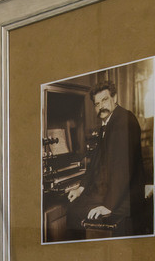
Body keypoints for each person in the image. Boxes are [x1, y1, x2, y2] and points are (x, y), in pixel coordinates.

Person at [63, 80, 150, 239]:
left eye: (104, 100)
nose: (100, 106)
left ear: (114, 97)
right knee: (74, 204)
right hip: (115, 191)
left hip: (126, 198)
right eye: (96, 104)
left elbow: (123, 168)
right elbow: (95, 162)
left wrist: (108, 206)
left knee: (74, 212)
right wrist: (80, 189)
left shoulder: (124, 120)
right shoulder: (109, 122)